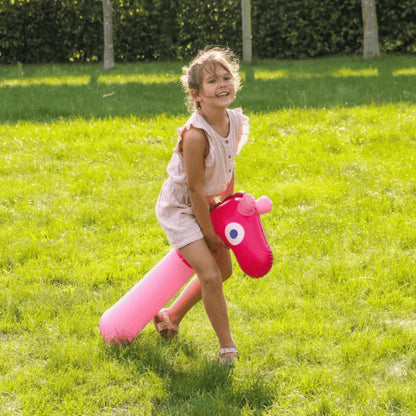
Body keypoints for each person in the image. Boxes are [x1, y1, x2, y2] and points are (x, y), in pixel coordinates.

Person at [153, 46, 249, 365]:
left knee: (223, 270)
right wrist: (209, 234)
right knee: (209, 273)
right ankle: (227, 349)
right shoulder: (195, 136)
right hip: (181, 207)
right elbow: (193, 189)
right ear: (196, 94)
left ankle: (171, 317)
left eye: (226, 77)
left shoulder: (234, 120)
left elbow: (228, 165)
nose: (222, 84)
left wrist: (226, 206)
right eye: (212, 81)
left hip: (207, 201)